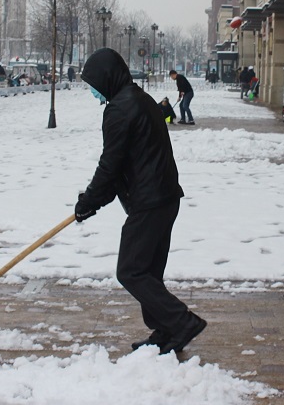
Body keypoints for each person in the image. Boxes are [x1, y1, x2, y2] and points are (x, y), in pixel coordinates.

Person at [75, 48, 206, 354]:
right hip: (165, 197)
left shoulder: (120, 109)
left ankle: (182, 322)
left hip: (149, 202)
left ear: (107, 78)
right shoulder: (139, 99)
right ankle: (166, 329)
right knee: (148, 272)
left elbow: (111, 164)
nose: (93, 92)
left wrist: (88, 200)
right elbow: (124, 164)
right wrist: (94, 201)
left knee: (131, 271)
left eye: (93, 85)